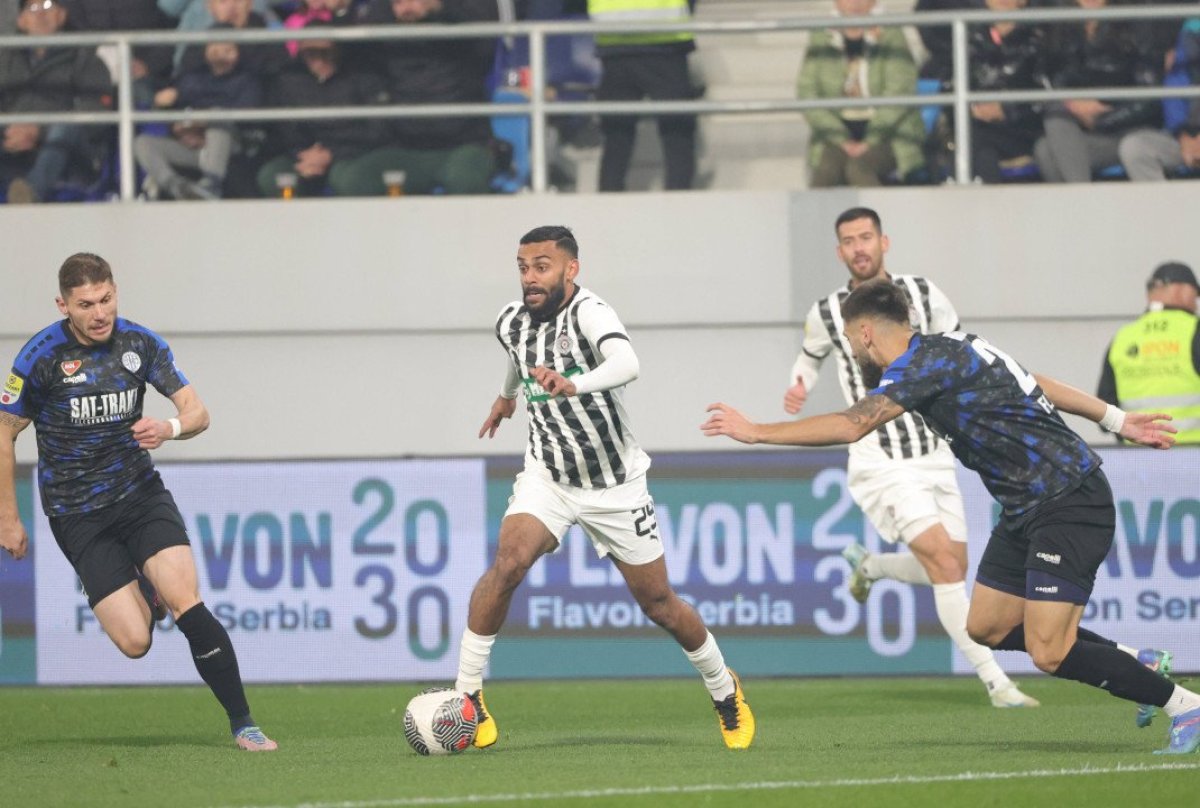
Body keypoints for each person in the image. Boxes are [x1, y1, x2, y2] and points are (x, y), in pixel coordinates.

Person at [703, 279, 1200, 754]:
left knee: (1049, 651)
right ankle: (1134, 664)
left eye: (851, 342)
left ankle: (1185, 706)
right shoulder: (956, 345)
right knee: (984, 626)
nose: (853, 353)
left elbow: (853, 425)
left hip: (1067, 498)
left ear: (865, 333)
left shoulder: (920, 367)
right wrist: (1115, 417)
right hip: (1024, 507)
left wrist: (757, 431)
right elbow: (1035, 381)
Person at [454, 226, 754, 751]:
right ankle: (467, 697)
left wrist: (576, 383)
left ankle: (723, 688)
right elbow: (518, 355)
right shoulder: (510, 320)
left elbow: (628, 364)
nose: (530, 277)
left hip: (615, 483)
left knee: (659, 603)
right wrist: (506, 396)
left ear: (571, 269)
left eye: (542, 266)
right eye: (523, 267)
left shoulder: (590, 313)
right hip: (548, 476)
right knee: (508, 563)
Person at [0, 253, 277, 752]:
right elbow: (4, 433)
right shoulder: (39, 358)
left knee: (186, 601)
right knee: (135, 642)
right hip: (77, 513)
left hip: (139, 495)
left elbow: (197, 412)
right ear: (63, 306)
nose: (99, 313)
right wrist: (8, 518)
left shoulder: (140, 343)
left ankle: (244, 723)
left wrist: (168, 428)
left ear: (115, 292)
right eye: (86, 305)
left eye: (106, 299)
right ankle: (140, 589)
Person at [784, 207, 1036, 708]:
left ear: (884, 242)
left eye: (866, 237)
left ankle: (872, 567)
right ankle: (997, 683)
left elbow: (961, 348)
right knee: (943, 562)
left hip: (935, 451)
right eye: (849, 241)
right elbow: (810, 355)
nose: (858, 247)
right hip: (880, 458)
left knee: (953, 565)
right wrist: (799, 385)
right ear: (839, 251)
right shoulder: (827, 312)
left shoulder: (923, 293)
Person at [360, 0, 497, 195]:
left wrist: (440, 8)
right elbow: (360, 30)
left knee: (464, 178)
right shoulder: (386, 36)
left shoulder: (462, 35)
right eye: (399, 1)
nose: (406, 8)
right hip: (404, 146)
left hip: (465, 143)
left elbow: (484, 29)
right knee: (356, 179)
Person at [255, 26, 401, 198]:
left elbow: (378, 130)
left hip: (357, 153)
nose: (319, 59)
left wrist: (332, 153)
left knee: (350, 179)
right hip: (308, 155)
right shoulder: (289, 80)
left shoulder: (362, 75)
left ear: (337, 50)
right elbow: (286, 131)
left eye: (325, 52)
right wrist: (306, 155)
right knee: (274, 175)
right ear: (301, 54)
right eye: (311, 53)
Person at [796, 0, 925, 187]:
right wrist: (841, 139)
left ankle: (876, 207)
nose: (855, 2)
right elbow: (807, 92)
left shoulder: (891, 33)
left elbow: (900, 92)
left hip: (889, 134)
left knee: (859, 169)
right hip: (837, 132)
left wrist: (870, 141)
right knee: (826, 171)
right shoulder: (821, 35)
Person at [1033, 0, 1163, 183]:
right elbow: (1051, 80)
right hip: (1082, 131)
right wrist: (1073, 105)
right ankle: (1082, 197)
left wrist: (1101, 116)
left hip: (1129, 134)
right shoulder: (1062, 27)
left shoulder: (1135, 23)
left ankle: (1082, 198)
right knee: (1045, 146)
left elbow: (1150, 96)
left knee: (1051, 140)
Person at [0, 0, 112, 204]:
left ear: (62, 15)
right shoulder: (5, 57)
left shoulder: (84, 57)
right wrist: (9, 130)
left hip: (71, 154)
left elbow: (97, 110)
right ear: (21, 20)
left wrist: (40, 131)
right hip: (13, 144)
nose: (40, 14)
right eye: (33, 8)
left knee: (66, 126)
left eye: (47, 6)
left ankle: (30, 193)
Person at [134, 26, 262, 200]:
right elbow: (172, 110)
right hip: (192, 146)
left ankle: (211, 185)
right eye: (215, 48)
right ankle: (177, 186)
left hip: (228, 145)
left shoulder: (247, 80)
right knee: (143, 142)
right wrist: (176, 124)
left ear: (238, 51)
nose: (220, 54)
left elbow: (246, 118)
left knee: (218, 116)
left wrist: (203, 124)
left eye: (227, 49)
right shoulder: (191, 77)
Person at [586, 0, 697, 191]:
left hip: (615, 45)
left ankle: (609, 200)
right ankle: (680, 198)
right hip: (666, 42)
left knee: (617, 135)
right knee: (677, 130)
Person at [1097, 261, 1200, 445]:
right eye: (1195, 295)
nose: (1196, 303)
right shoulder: (1194, 330)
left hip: (1138, 456)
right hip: (1193, 454)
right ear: (1181, 290)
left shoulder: (1123, 337)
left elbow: (1104, 410)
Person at [1118, 19, 1200, 181]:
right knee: (1135, 147)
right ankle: (1161, 199)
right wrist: (1184, 136)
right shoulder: (1188, 45)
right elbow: (1174, 93)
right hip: (1187, 138)